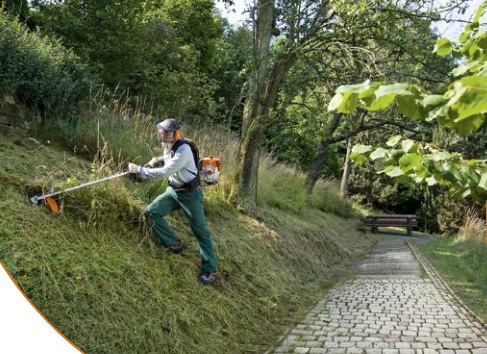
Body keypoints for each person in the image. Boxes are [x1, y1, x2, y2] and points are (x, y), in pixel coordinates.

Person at [127, 118, 217, 285]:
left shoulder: (184, 150)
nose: (162, 134)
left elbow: (165, 172)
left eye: (166, 132)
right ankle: (173, 243)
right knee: (151, 212)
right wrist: (157, 159)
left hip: (191, 196)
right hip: (174, 191)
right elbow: (168, 158)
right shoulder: (168, 144)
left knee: (201, 232)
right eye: (161, 131)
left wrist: (139, 170)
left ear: (175, 133)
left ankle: (210, 270)